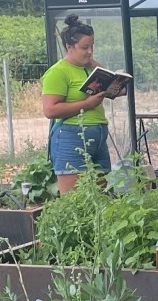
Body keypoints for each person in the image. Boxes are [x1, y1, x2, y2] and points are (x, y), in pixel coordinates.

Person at [42, 14, 119, 194]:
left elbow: (117, 88)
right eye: (85, 47)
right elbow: (50, 109)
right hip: (72, 135)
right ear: (69, 47)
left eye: (92, 46)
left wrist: (92, 63)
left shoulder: (88, 68)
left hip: (98, 136)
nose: (90, 51)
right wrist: (86, 104)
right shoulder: (58, 72)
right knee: (74, 198)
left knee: (102, 195)